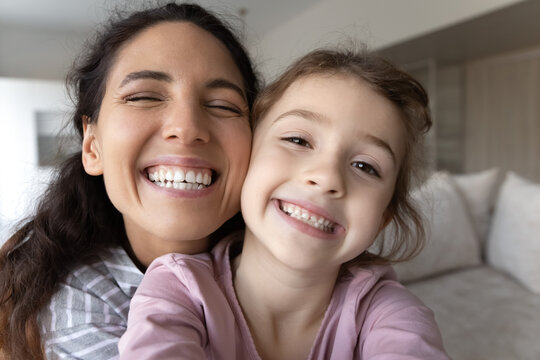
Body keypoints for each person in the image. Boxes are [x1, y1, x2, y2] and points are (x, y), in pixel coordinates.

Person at [118, 48, 450, 359]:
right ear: (248, 156)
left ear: (383, 218)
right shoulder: (178, 289)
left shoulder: (392, 313)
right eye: (298, 140)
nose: (327, 177)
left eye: (365, 166)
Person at [0, 3, 260, 359]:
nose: (186, 128)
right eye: (144, 97)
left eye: (222, 105)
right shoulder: (75, 306)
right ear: (92, 147)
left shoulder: (312, 267)